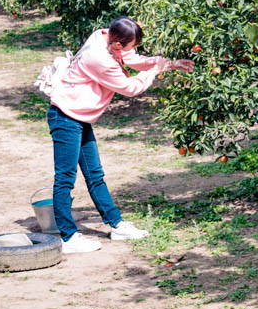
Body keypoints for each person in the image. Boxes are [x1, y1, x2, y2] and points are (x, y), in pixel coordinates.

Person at [47, 16, 193, 253]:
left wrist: (168, 63)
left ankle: (116, 225)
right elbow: (131, 88)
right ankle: (68, 237)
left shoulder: (103, 35)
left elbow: (132, 59)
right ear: (117, 44)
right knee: (65, 178)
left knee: (95, 174)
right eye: (130, 45)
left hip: (78, 117)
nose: (131, 50)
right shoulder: (100, 59)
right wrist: (154, 71)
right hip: (65, 117)